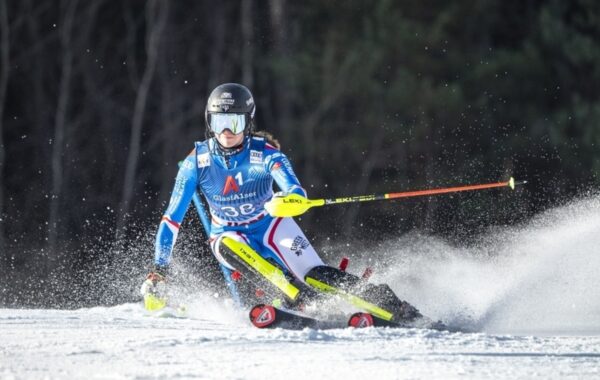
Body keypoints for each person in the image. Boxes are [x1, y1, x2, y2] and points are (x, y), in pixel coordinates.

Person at [141, 83, 420, 323]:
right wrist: (159, 271)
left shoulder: (264, 154)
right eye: (218, 122)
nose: (226, 131)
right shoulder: (196, 163)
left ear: (248, 123)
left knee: (317, 275)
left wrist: (292, 200)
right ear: (208, 122)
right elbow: (171, 221)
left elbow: (293, 188)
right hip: (228, 234)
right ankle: (298, 300)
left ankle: (395, 307)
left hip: (271, 225)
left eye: (235, 122)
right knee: (226, 245)